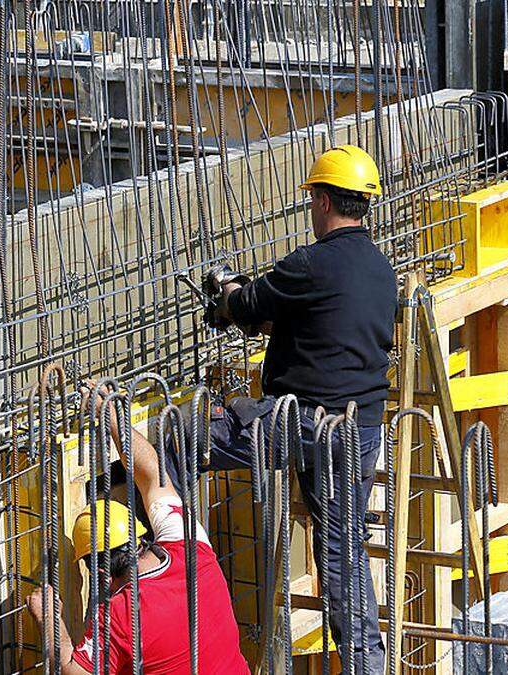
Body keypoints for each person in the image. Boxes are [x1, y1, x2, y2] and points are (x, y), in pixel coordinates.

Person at [204, 145, 396, 671]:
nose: (310, 207)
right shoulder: (381, 270)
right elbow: (324, 328)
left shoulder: (310, 264)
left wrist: (226, 295)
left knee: (184, 442)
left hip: (307, 424)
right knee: (342, 553)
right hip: (361, 428)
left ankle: (165, 569)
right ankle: (366, 664)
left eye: (312, 197)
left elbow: (246, 305)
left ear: (325, 200)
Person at [26, 387, 249, 674]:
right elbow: (152, 476)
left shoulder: (119, 616)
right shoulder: (192, 549)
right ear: (140, 537)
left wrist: (49, 619)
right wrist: (112, 416)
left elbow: (72, 672)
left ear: (102, 573)